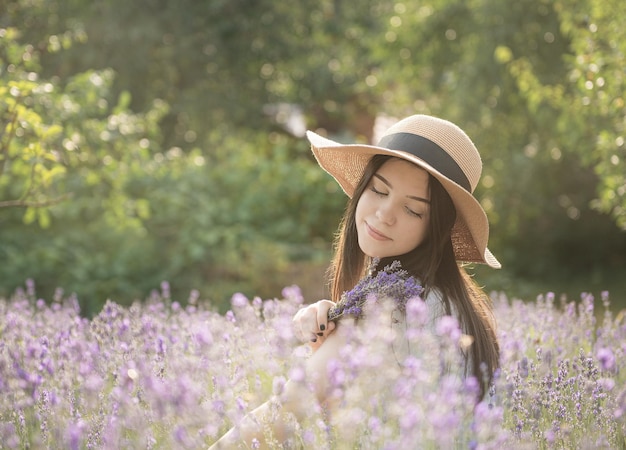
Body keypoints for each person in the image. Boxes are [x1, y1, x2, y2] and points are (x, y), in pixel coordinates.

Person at [209, 114, 500, 449]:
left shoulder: (389, 304)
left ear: (436, 228)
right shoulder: (452, 302)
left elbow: (282, 413)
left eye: (414, 211)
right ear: (363, 188)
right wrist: (334, 326)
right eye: (379, 190)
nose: (384, 213)